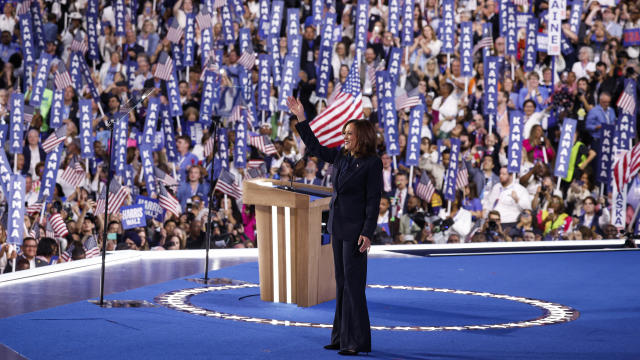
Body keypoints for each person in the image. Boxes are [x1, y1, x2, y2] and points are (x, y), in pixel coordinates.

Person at [287, 96, 381, 356]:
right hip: (338, 228)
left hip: (355, 233)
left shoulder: (372, 164)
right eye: (344, 132)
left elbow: (374, 201)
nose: (345, 136)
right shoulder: (342, 156)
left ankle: (357, 341)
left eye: (349, 133)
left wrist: (367, 232)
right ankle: (341, 337)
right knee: (341, 283)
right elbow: (315, 147)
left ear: (361, 135)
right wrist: (302, 119)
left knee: (353, 285)